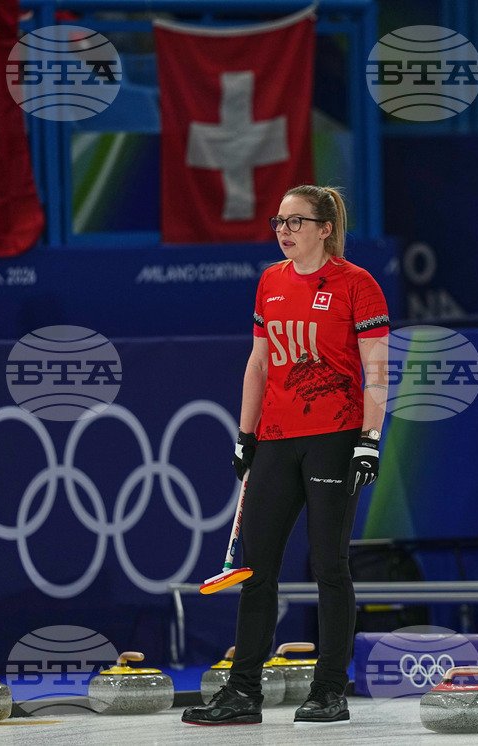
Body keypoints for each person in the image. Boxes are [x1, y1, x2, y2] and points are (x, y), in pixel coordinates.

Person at [182, 185, 389, 726]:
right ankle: (242, 692)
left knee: (329, 565)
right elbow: (258, 363)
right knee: (255, 570)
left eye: (296, 221)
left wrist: (369, 438)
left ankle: (329, 691)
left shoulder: (356, 284)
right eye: (279, 220)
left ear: (325, 228)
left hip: (334, 436)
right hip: (275, 437)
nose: (284, 230)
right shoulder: (270, 281)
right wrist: (244, 434)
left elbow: (376, 370)